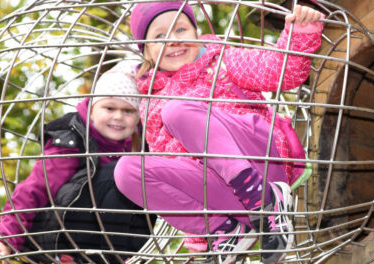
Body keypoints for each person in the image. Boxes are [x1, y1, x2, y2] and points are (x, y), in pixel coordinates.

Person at [114, 2, 324, 263]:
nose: (173, 41)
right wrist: (198, 234)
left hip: (261, 162)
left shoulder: (222, 60)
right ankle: (225, 229)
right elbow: (171, 166)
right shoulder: (150, 101)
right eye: (159, 36)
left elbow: (281, 72)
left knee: (177, 112)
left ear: (195, 31)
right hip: (224, 195)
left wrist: (300, 33)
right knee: (126, 170)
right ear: (146, 51)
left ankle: (267, 198)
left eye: (180, 29)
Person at [0, 60, 156, 264]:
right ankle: (71, 256)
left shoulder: (138, 147)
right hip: (67, 235)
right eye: (109, 108)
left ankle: (120, 257)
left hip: (114, 242)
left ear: (138, 117)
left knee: (146, 174)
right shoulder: (71, 142)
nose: (118, 117)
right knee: (120, 171)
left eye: (128, 111)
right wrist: (7, 238)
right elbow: (35, 189)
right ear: (92, 109)